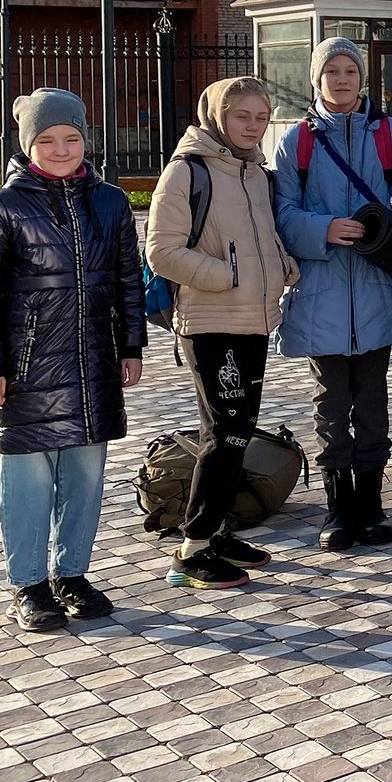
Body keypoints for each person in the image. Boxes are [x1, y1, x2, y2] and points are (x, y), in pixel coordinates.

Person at [0, 90, 144, 631]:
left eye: (71, 138)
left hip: (93, 365)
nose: (61, 148)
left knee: (87, 476)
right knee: (27, 481)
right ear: (27, 145)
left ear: (86, 139)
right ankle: (30, 583)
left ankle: (72, 573)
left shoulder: (109, 203)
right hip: (26, 370)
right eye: (47, 140)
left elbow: (130, 280)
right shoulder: (4, 207)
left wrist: (131, 347)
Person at [273, 37, 392, 552]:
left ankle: (372, 505)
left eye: (349, 71)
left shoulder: (391, 135)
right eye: (330, 71)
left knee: (373, 401)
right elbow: (280, 213)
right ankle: (339, 509)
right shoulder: (297, 141)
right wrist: (321, 228)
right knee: (330, 404)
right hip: (321, 294)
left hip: (379, 292)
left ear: (362, 79)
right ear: (316, 79)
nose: (341, 79)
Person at [144, 77, 297, 589]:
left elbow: (259, 238)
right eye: (241, 117)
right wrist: (227, 276)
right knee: (227, 429)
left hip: (252, 319)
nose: (252, 127)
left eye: (261, 118)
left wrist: (281, 265)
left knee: (237, 429)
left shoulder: (255, 172)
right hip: (210, 322)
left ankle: (217, 531)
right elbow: (161, 251)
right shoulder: (186, 172)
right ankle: (191, 549)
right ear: (216, 116)